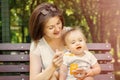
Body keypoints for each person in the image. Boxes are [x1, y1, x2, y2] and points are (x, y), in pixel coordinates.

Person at [29, 2, 66, 80]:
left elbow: (86, 58)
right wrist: (52, 67)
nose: (57, 29)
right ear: (41, 29)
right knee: (52, 75)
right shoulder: (37, 45)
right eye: (51, 27)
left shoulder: (71, 34)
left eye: (58, 23)